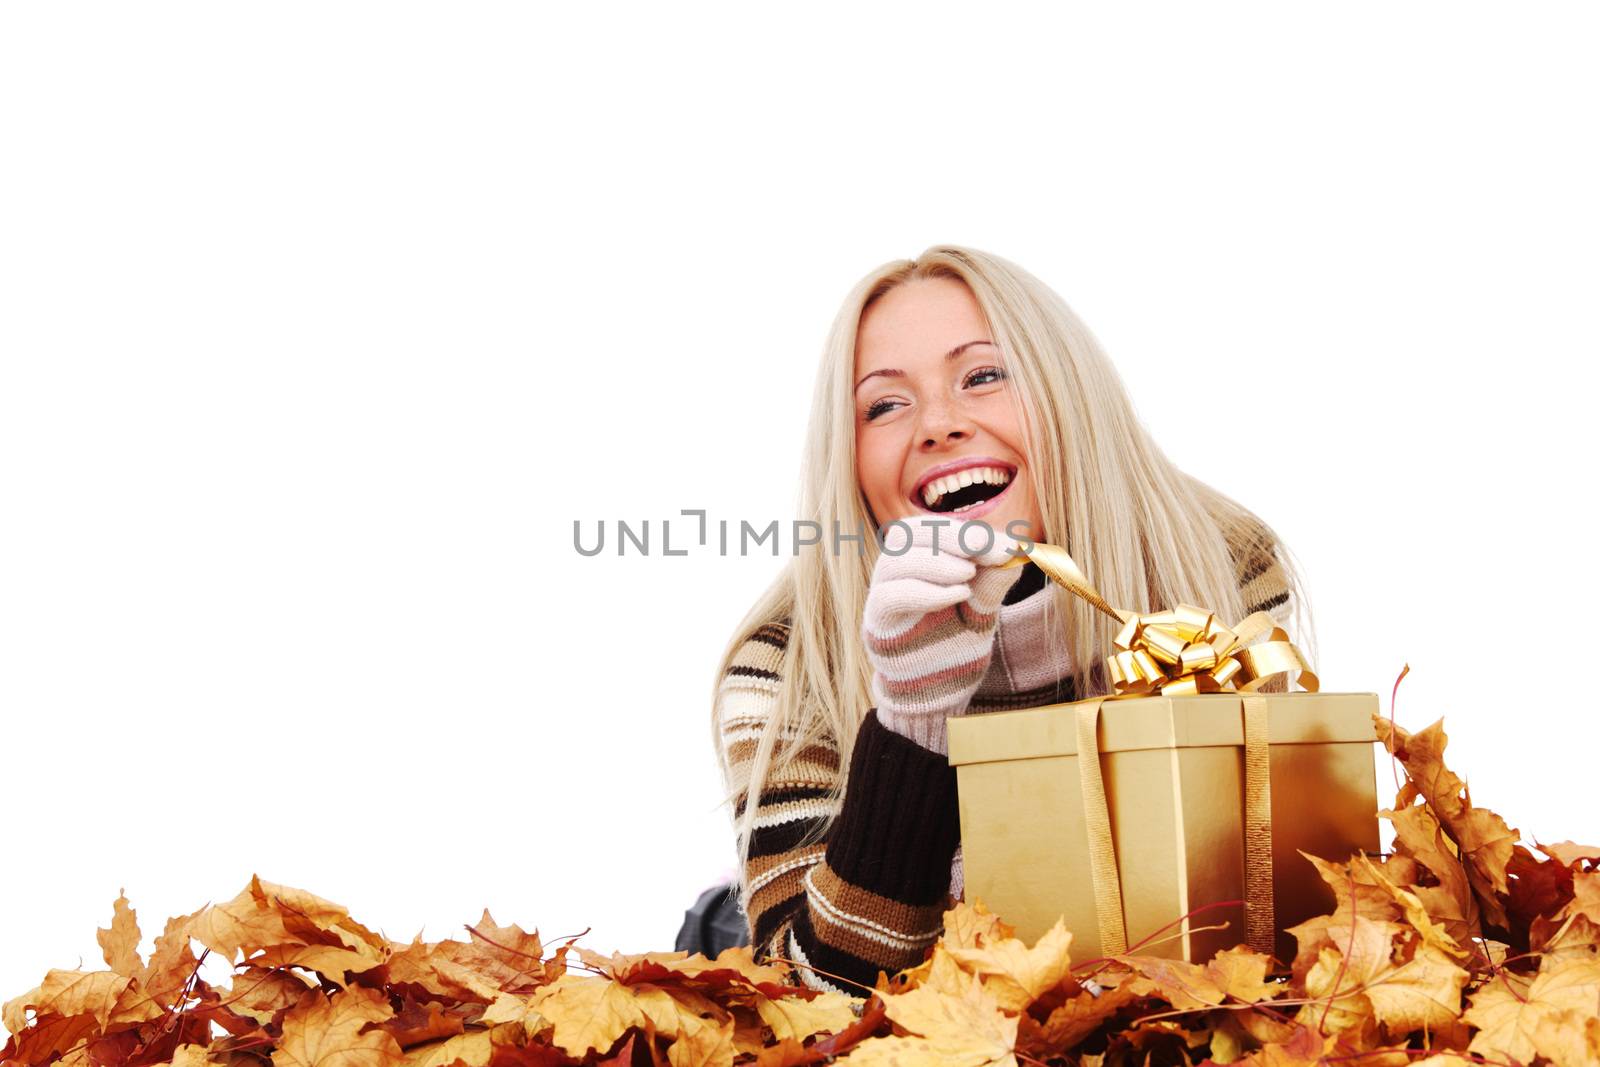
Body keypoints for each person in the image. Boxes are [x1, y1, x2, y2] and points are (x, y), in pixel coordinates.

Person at [709, 245, 1311, 995]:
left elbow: (1263, 905)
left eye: (983, 375)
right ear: (850, 459)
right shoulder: (784, 656)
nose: (938, 424)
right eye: (884, 405)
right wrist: (911, 725)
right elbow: (813, 1009)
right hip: (819, 940)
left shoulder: (1221, 561)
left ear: (1069, 395)